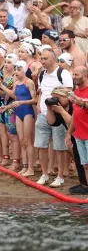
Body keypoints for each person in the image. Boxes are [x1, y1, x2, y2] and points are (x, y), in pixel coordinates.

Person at [33, 47, 72, 186]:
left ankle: (60, 176)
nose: (42, 61)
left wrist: (58, 102)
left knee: (59, 147)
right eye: (41, 58)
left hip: (58, 114)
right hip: (43, 113)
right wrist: (38, 104)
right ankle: (44, 174)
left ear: (53, 59)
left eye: (45, 58)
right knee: (41, 145)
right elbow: (41, 91)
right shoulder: (42, 74)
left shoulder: (63, 73)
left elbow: (68, 93)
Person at [64, 65, 88, 195]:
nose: (73, 77)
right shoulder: (77, 91)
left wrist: (83, 104)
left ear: (85, 76)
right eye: (73, 75)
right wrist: (69, 133)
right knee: (85, 165)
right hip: (79, 134)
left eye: (76, 75)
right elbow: (75, 114)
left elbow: (81, 106)